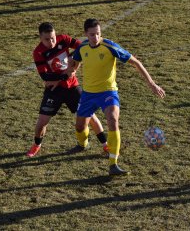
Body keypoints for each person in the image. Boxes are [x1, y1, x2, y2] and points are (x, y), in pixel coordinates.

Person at [70, 18, 166, 176]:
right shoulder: (82, 47)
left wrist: (152, 84)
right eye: (92, 34)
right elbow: (77, 60)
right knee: (80, 126)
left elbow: (136, 62)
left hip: (108, 92)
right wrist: (71, 70)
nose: (96, 38)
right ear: (86, 34)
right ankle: (82, 144)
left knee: (113, 120)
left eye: (98, 34)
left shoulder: (109, 46)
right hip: (88, 94)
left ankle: (113, 163)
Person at [26, 22, 108, 157]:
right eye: (47, 39)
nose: (51, 41)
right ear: (40, 37)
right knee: (41, 122)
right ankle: (36, 145)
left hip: (72, 87)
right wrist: (65, 75)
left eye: (52, 37)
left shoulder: (63, 39)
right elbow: (45, 76)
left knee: (91, 116)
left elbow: (82, 46)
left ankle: (105, 145)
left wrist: (73, 58)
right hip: (54, 90)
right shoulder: (38, 52)